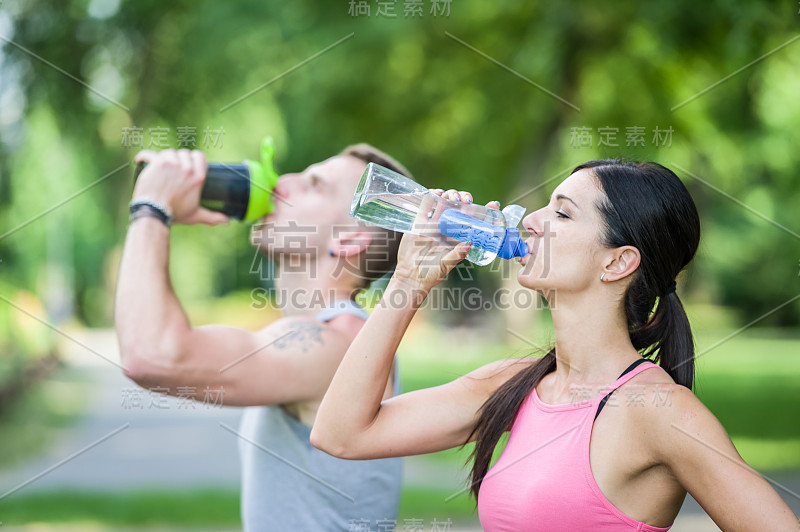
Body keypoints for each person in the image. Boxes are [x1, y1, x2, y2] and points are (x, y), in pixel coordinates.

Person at [311, 160, 800, 531]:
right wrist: (407, 282)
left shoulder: (657, 410)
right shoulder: (511, 384)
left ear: (618, 262)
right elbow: (341, 434)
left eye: (562, 214)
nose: (530, 221)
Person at [114, 144, 413, 531]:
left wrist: (152, 208)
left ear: (350, 239)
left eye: (313, 185)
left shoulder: (337, 347)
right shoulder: (331, 336)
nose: (283, 182)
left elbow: (151, 356)